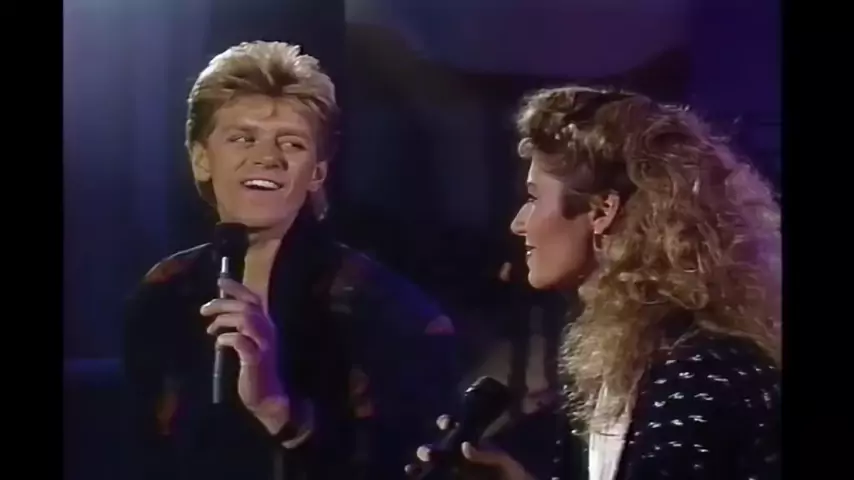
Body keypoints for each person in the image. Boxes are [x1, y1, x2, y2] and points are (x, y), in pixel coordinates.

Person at [122, 41, 459, 480]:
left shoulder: (387, 310)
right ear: (202, 159)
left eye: (292, 143)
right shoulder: (166, 290)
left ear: (317, 172)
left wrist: (280, 408)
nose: (267, 157)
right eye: (242, 138)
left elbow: (406, 464)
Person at [411, 86, 781, 479]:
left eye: (534, 199)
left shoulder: (699, 372)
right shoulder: (624, 363)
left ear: (602, 210)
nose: (518, 224)